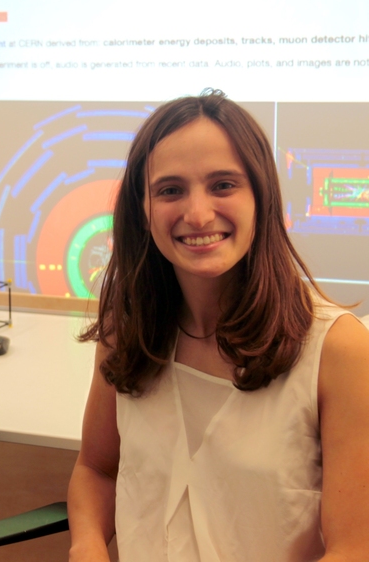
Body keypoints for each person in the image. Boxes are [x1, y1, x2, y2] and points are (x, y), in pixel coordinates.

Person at [67, 90, 369, 561]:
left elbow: (354, 548)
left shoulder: (339, 350)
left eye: (223, 184)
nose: (198, 213)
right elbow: (97, 469)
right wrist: (86, 545)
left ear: (261, 196)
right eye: (170, 190)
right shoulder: (126, 329)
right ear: (142, 211)